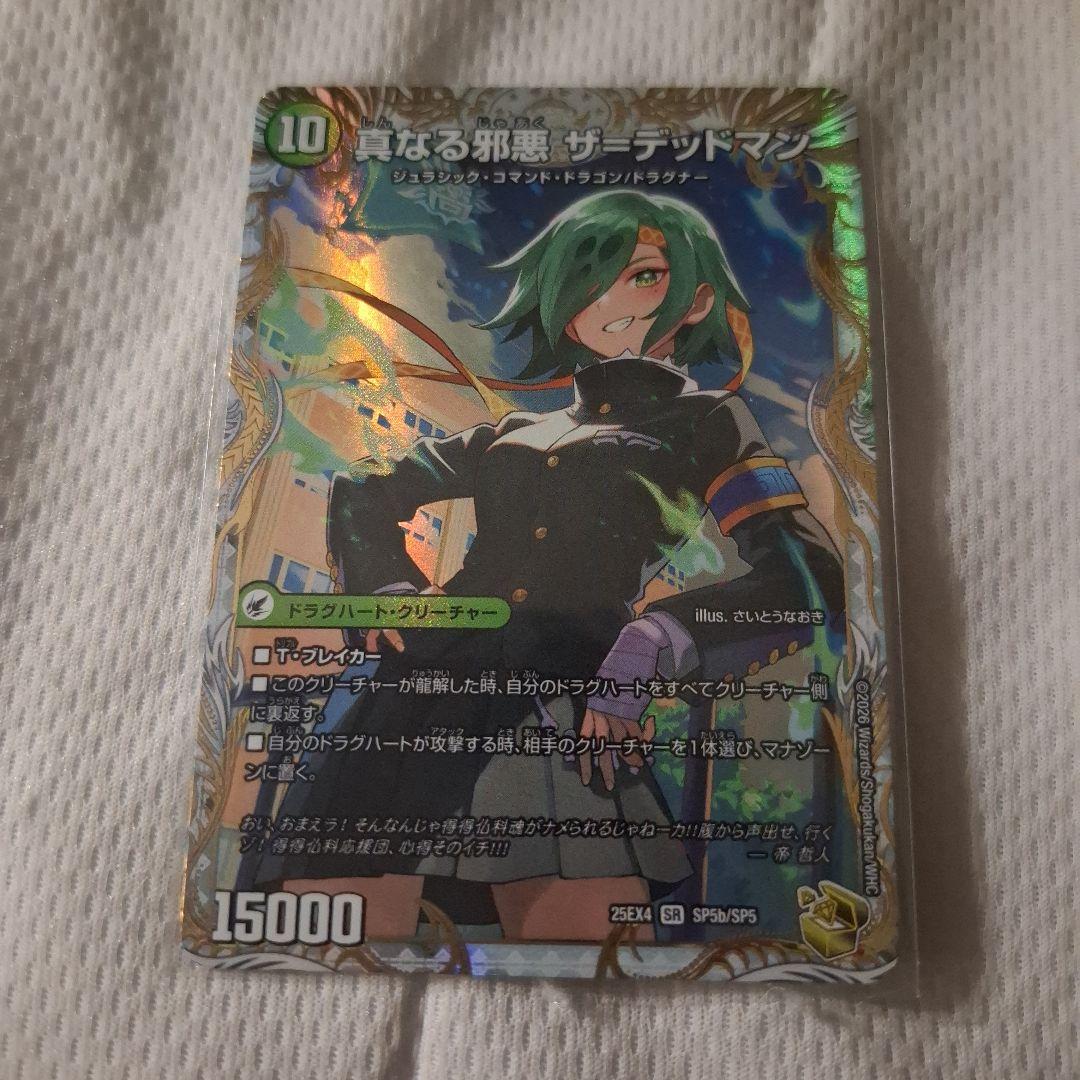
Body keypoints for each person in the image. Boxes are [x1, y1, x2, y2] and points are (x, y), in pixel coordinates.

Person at [251, 190, 843, 941]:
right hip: (416, 699)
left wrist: (657, 639)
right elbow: (365, 489)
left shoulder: (708, 422)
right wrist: (387, 593)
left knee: (595, 955)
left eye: (645, 276)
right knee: (340, 936)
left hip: (566, 709)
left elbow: (806, 573)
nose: (610, 301)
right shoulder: (512, 432)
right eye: (589, 281)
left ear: (697, 300)